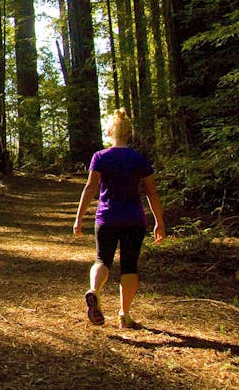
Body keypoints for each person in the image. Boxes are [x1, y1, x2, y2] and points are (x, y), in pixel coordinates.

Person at [73, 109, 165, 329]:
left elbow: (90, 188)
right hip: (134, 219)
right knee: (129, 266)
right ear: (128, 133)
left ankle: (94, 290)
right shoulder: (138, 158)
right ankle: (124, 315)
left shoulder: (100, 157)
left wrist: (79, 218)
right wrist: (159, 222)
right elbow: (152, 192)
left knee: (102, 259)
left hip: (106, 218)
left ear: (110, 131)